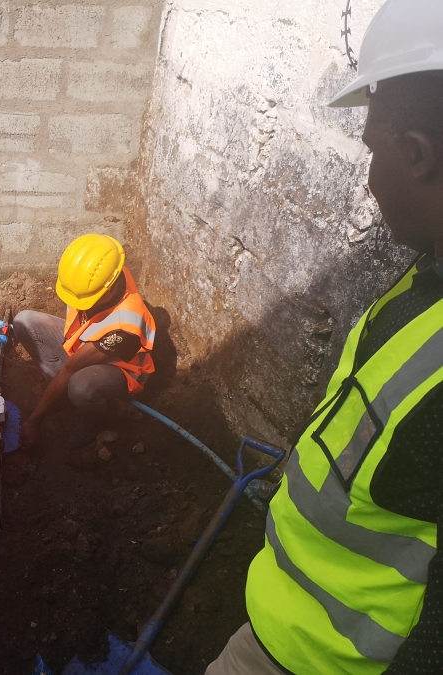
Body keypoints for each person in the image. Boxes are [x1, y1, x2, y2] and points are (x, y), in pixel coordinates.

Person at [206, 1, 443, 674]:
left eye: (373, 151)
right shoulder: (426, 279)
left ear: (416, 154)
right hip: (290, 620)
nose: (369, 180)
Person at [15, 234, 156, 447]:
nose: (79, 303)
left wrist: (34, 420)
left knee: (81, 386)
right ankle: (61, 397)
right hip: (86, 342)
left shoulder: (125, 326)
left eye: (85, 300)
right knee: (24, 321)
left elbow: (70, 368)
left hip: (121, 369)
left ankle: (96, 422)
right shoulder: (102, 276)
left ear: (109, 289)